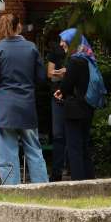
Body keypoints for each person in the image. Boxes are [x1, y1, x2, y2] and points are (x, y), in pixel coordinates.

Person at [0, 13, 48, 185]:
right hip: (27, 106)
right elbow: (41, 77)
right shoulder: (31, 47)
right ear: (18, 26)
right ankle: (42, 186)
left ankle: (11, 189)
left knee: (7, 153)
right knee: (34, 150)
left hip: (4, 107)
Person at [54, 28, 96, 181]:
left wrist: (61, 91)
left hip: (74, 110)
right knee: (84, 146)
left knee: (74, 148)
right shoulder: (88, 58)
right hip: (88, 107)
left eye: (63, 40)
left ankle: (79, 182)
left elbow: (66, 86)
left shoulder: (74, 60)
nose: (61, 44)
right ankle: (89, 180)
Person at [45, 32, 67, 181]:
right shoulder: (56, 52)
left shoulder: (79, 53)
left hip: (72, 97)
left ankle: (71, 167)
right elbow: (49, 73)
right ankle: (57, 171)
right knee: (58, 134)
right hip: (57, 95)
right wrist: (63, 74)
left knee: (70, 133)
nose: (61, 43)